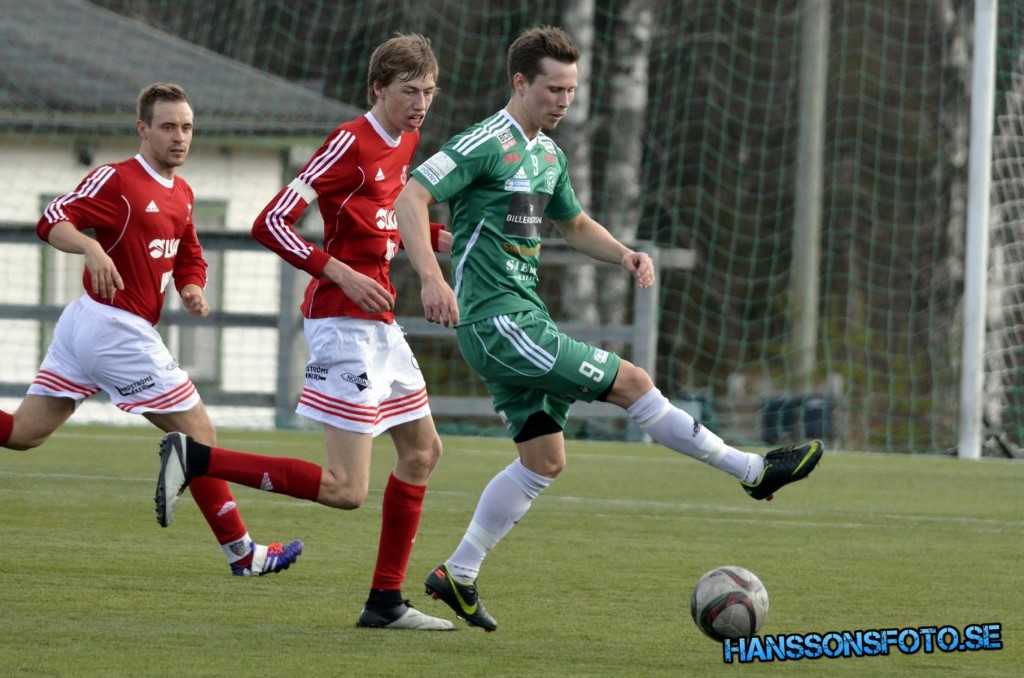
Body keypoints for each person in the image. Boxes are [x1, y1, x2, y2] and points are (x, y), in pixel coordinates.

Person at [394, 25, 824, 633]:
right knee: (633, 381)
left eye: (572, 90)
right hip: (498, 321)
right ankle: (752, 472)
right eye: (554, 89)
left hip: (522, 318)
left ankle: (458, 573)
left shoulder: (547, 156)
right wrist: (431, 279)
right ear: (520, 82)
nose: (565, 100)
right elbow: (410, 198)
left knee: (544, 460)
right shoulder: (484, 142)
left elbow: (572, 223)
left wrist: (624, 254)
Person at [154, 34, 454, 631]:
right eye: (409, 91)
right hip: (342, 322)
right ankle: (196, 456)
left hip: (379, 322)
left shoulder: (407, 140)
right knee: (346, 489)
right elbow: (269, 222)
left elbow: (384, 221)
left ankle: (385, 603)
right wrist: (339, 270)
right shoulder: (348, 142)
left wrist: (441, 240)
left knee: (423, 452)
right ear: (378, 89)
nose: (421, 103)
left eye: (429, 92)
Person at [0, 83, 303, 577]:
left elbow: (189, 255)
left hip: (90, 326)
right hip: (113, 328)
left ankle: (241, 551)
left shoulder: (182, 193)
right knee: (200, 435)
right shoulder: (117, 180)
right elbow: (52, 219)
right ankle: (243, 553)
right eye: (167, 127)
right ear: (143, 129)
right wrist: (90, 248)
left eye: (186, 127)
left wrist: (192, 287)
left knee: (23, 434)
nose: (179, 137)